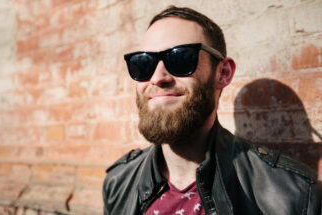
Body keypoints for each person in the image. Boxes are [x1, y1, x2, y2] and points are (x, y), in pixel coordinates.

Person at [103, 6, 321, 215]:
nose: (157, 77)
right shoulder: (118, 182)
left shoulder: (295, 196)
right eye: (143, 63)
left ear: (222, 73)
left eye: (180, 58)